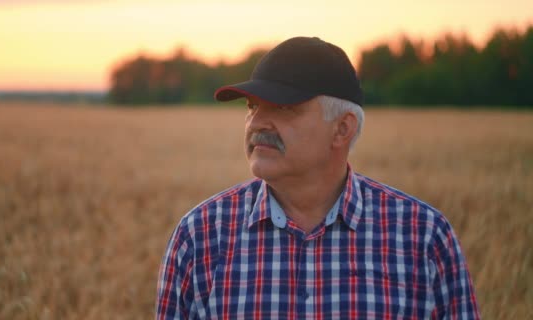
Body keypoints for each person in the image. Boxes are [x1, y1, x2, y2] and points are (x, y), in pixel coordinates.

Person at [156, 36, 479, 319]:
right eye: (253, 106)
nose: (258, 123)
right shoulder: (199, 237)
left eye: (283, 108)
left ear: (342, 128)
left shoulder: (423, 238)